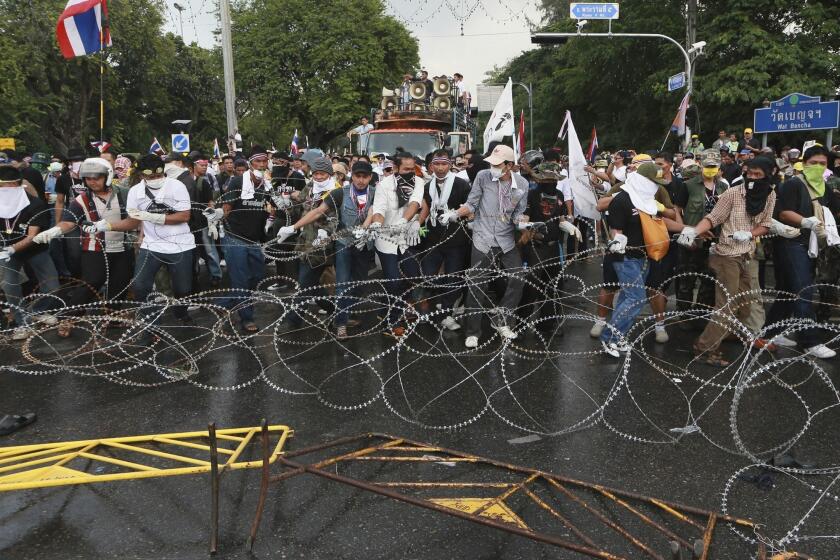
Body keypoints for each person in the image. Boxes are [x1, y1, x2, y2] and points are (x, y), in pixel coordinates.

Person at [678, 157, 777, 365]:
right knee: (727, 306)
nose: (752, 178)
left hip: (747, 254)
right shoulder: (733, 193)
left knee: (745, 305)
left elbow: (766, 224)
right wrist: (693, 232)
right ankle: (705, 348)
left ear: (769, 175)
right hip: (726, 256)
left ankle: (723, 333)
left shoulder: (770, 195)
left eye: (758, 175)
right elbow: (713, 218)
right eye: (750, 173)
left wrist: (750, 234)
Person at [32, 158, 136, 338]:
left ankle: (112, 317)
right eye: (88, 179)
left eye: (97, 178)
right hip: (94, 248)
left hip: (122, 248)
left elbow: (134, 221)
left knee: (120, 283)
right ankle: (69, 318)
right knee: (91, 283)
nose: (92, 182)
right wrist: (54, 230)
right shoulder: (81, 200)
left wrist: (109, 226)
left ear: (108, 176)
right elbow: (69, 222)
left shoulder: (125, 194)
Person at [442, 145, 529, 348]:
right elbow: (471, 204)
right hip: (483, 237)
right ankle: (473, 332)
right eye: (492, 163)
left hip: (506, 239)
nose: (493, 167)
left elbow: (518, 214)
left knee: (518, 278)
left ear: (509, 166)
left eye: (498, 165)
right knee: (476, 284)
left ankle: (503, 320)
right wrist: (455, 213)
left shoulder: (522, 184)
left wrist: (524, 223)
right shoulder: (482, 176)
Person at [280, 160, 377, 339]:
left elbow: (373, 211)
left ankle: (342, 311)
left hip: (363, 245)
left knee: (359, 284)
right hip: (342, 244)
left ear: (370, 177)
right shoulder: (340, 193)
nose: (361, 180)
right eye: (358, 176)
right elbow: (317, 211)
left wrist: (365, 229)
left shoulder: (375, 193)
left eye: (365, 177)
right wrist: (293, 227)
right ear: (352, 176)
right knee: (341, 284)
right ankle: (340, 322)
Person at [766, 144, 839, 358]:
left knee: (788, 290)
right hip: (792, 242)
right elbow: (784, 213)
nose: (817, 167)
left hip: (812, 244)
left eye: (822, 164)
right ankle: (809, 341)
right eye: (813, 163)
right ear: (804, 163)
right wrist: (806, 222)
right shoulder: (793, 184)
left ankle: (770, 331)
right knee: (804, 290)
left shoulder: (824, 188)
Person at [599, 160, 665, 357]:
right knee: (637, 298)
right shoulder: (622, 200)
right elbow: (615, 229)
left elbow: (660, 221)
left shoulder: (646, 201)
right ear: (642, 180)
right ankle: (608, 337)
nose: (655, 186)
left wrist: (688, 230)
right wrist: (617, 240)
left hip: (642, 256)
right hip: (624, 257)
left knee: (628, 298)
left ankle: (618, 336)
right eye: (652, 182)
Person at [126, 154, 195, 339]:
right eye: (151, 177)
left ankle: (180, 310)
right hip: (151, 245)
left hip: (180, 245)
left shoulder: (177, 186)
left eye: (159, 175)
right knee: (140, 286)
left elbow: (184, 216)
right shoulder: (135, 192)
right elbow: (132, 221)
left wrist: (152, 217)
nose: (156, 180)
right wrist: (107, 226)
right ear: (141, 175)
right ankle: (151, 324)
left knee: (183, 289)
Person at [409, 150, 473, 331]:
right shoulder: (428, 186)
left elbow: (470, 208)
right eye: (437, 164)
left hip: (456, 239)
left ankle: (447, 313)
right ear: (431, 166)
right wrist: (417, 222)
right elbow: (426, 207)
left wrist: (457, 214)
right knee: (427, 276)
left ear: (450, 165)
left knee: (453, 277)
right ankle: (435, 304)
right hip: (433, 238)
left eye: (444, 164)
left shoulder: (461, 185)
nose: (440, 168)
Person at [276, 156, 341, 331]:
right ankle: (334, 309)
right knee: (310, 284)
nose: (319, 177)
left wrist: (325, 231)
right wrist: (288, 202)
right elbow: (303, 204)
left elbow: (336, 218)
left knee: (305, 283)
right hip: (305, 240)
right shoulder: (311, 186)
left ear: (330, 174)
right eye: (316, 173)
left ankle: (293, 320)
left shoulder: (335, 191)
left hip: (322, 245)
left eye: (322, 174)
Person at [217, 145, 276, 333]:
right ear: (250, 163)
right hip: (235, 237)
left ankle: (223, 303)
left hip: (254, 239)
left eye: (264, 161)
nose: (260, 165)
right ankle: (247, 318)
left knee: (257, 277)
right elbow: (226, 208)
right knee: (241, 279)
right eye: (257, 161)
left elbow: (274, 205)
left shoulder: (266, 184)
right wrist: (219, 225)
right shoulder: (237, 182)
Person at [365, 151, 425, 337]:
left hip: (404, 238)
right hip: (386, 239)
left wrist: (405, 221)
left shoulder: (419, 182)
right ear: (396, 168)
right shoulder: (384, 185)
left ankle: (386, 309)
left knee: (412, 275)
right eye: (406, 169)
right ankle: (392, 322)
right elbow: (380, 208)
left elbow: (415, 203)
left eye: (413, 168)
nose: (410, 172)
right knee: (393, 280)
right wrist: (376, 222)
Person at [0, 164, 60, 340]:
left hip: (34, 249)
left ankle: (36, 311)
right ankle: (21, 323)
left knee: (52, 287)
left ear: (18, 184)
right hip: (5, 252)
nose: (3, 189)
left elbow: (32, 235)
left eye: (7, 185)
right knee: (10, 286)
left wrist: (11, 249)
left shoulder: (35, 204)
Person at [675, 149, 728, 319]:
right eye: (707, 166)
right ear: (700, 165)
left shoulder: (723, 187)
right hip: (692, 239)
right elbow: (677, 209)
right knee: (686, 280)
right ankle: (683, 315)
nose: (710, 169)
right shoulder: (688, 185)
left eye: (714, 166)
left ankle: (701, 315)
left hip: (713, 240)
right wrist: (685, 232)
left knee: (709, 280)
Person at [191, 153, 222, 288]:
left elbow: (210, 203)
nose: (204, 168)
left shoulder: (203, 181)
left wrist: (212, 221)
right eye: (201, 165)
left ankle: (216, 275)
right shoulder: (183, 183)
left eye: (205, 165)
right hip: (188, 224)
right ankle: (193, 274)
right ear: (193, 165)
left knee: (210, 251)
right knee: (192, 252)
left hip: (203, 222)